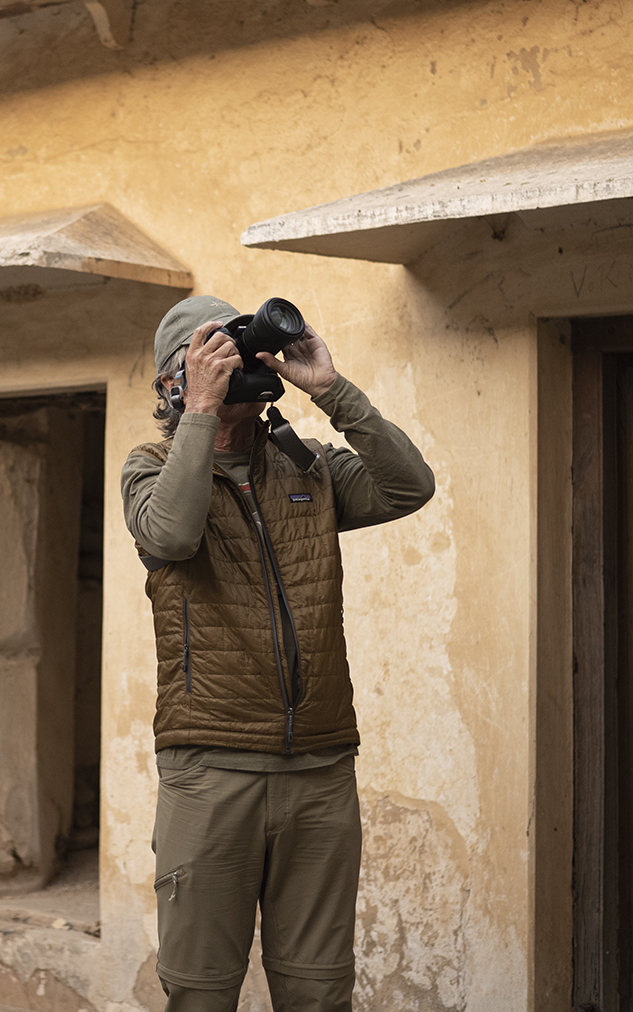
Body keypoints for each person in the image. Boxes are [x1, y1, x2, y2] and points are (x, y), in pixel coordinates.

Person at [121, 295, 435, 1012]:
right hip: (211, 771)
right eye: (214, 356)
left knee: (320, 994)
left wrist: (331, 392)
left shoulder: (308, 467)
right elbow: (171, 536)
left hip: (320, 770)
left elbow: (408, 487)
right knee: (201, 995)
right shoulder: (150, 468)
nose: (237, 365)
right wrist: (201, 411)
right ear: (177, 380)